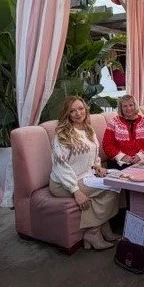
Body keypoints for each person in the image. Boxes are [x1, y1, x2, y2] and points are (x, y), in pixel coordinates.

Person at [49, 96, 120, 250]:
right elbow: (61, 166)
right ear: (67, 113)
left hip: (87, 177)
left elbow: (94, 155)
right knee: (114, 186)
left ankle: (101, 228)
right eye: (72, 110)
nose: (77, 113)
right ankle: (93, 233)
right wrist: (75, 191)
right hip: (63, 183)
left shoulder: (88, 129)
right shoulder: (62, 135)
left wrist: (98, 167)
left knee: (118, 181)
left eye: (80, 109)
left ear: (85, 109)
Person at [103, 95, 144, 169]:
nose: (128, 108)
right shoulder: (113, 122)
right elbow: (107, 144)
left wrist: (140, 156)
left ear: (135, 106)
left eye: (131, 105)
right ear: (121, 108)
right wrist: (122, 157)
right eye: (125, 106)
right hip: (119, 163)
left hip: (142, 161)